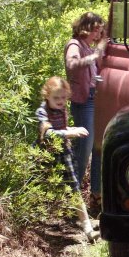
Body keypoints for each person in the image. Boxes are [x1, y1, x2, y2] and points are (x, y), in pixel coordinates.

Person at [36, 76, 100, 242]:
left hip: (64, 153)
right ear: (47, 95)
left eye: (64, 98)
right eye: (56, 98)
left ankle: (87, 228)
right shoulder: (43, 112)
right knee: (39, 187)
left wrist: (73, 128)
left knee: (74, 188)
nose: (60, 101)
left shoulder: (62, 109)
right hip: (46, 155)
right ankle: (34, 225)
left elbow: (61, 129)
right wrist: (69, 132)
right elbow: (48, 134)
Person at [64, 12, 108, 205]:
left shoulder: (87, 46)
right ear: (87, 28)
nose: (98, 34)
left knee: (97, 147)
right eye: (96, 30)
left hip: (94, 99)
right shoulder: (74, 45)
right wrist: (93, 58)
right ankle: (70, 201)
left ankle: (95, 196)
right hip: (84, 101)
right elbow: (72, 64)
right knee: (84, 150)